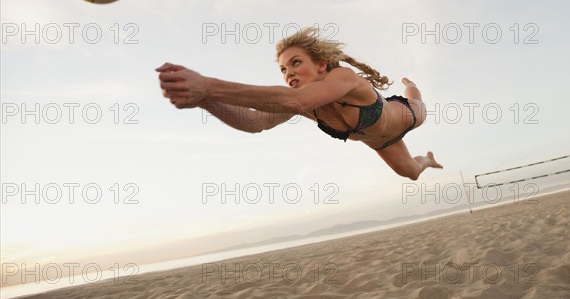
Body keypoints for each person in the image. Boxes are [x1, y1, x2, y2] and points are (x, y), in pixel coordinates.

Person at [156, 27, 442, 180]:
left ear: (320, 65)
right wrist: (205, 100)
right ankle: (428, 159)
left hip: (405, 115)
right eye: (282, 69)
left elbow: (295, 101)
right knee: (412, 174)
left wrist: (206, 84)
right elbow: (254, 122)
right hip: (381, 142)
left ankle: (410, 85)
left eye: (295, 63)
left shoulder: (344, 77)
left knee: (416, 100)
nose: (288, 72)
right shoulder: (303, 104)